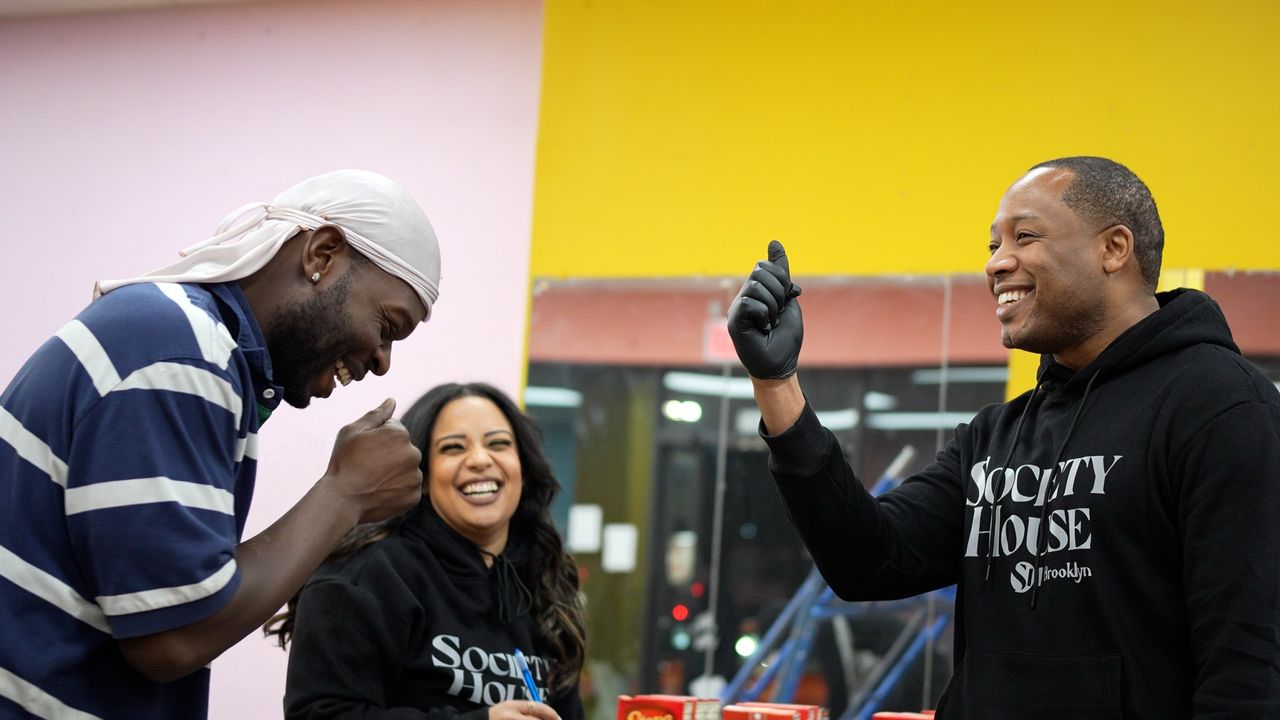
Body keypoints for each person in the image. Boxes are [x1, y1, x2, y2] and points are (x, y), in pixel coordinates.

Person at [726, 157, 1280, 717]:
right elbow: (869, 559)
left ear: (1114, 249)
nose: (997, 264)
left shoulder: (1221, 408)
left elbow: (1248, 663)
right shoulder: (998, 436)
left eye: (1024, 236)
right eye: (992, 246)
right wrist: (776, 384)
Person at [0, 169, 441, 719]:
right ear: (322, 255)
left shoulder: (186, 345)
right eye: (388, 325)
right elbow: (171, 637)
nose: (382, 361)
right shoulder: (181, 354)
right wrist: (343, 495)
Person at [266, 382, 587, 720]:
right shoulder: (367, 574)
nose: (480, 459)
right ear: (423, 475)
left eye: (499, 444)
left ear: (523, 467)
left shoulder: (544, 579)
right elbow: (321, 715)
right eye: (453, 448)